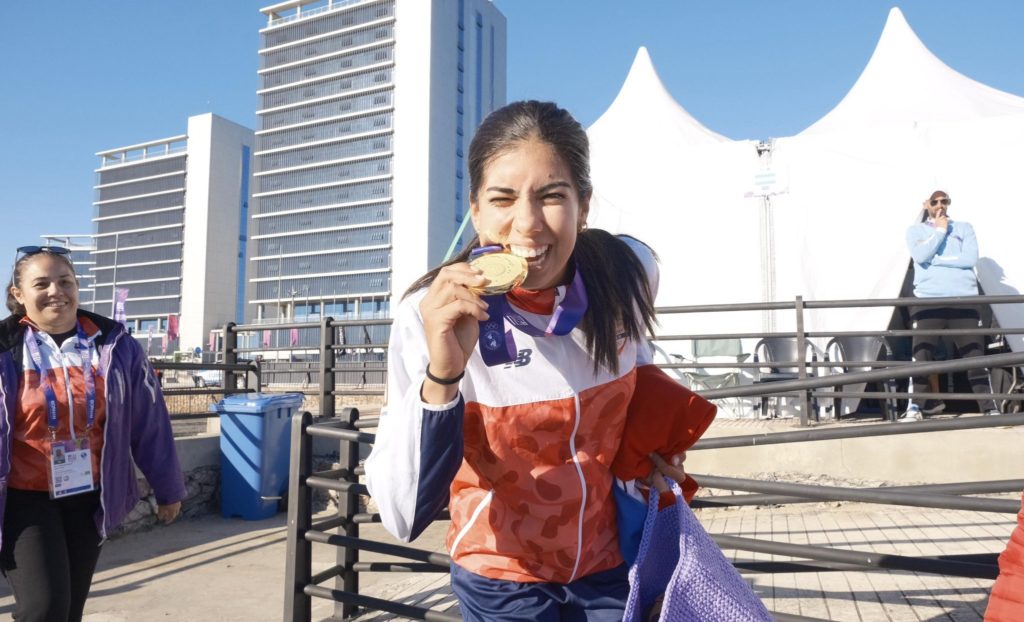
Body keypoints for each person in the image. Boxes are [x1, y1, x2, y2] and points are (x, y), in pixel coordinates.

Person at [365, 101, 702, 621]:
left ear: (584, 206)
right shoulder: (428, 314)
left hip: (611, 560)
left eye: (552, 197)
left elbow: (643, 368)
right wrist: (444, 375)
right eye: (502, 198)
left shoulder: (629, 274)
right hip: (502, 576)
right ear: (475, 210)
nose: (527, 224)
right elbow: (401, 513)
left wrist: (654, 452)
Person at [1, 245, 186, 621]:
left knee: (69, 610)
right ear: (19, 295)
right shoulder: (6, 348)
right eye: (42, 283)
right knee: (44, 608)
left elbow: (149, 420)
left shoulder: (115, 345)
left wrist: (168, 489)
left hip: (88, 495)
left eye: (65, 281)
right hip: (22, 497)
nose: (57, 291)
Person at [901, 190, 1000, 421]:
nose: (940, 205)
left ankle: (989, 408)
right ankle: (914, 407)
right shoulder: (915, 231)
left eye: (944, 200)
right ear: (926, 204)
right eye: (934, 201)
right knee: (921, 357)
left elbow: (970, 259)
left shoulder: (965, 227)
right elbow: (920, 254)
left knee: (975, 358)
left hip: (963, 300)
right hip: (928, 301)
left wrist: (936, 260)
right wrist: (940, 230)